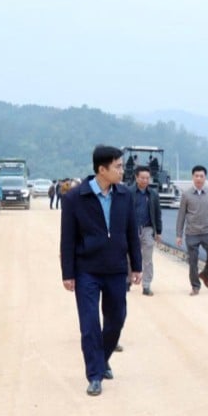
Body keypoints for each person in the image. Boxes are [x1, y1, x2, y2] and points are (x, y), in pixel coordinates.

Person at [60, 145, 142, 396]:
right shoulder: (75, 198)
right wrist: (68, 273)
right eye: (117, 166)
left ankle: (102, 357)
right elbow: (68, 239)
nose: (122, 170)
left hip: (116, 268)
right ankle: (94, 375)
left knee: (117, 319)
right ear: (101, 169)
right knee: (89, 324)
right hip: (87, 270)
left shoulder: (124, 195)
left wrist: (136, 265)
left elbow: (131, 232)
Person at [175, 165, 208, 295]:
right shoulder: (186, 195)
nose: (199, 178)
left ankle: (206, 275)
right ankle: (195, 286)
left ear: (205, 178)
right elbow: (181, 215)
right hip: (192, 234)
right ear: (193, 177)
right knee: (193, 261)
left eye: (201, 176)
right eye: (196, 176)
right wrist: (179, 235)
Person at [131, 166, 163, 296]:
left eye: (147, 178)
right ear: (136, 178)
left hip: (148, 229)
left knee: (148, 259)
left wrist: (158, 231)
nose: (145, 180)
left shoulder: (153, 194)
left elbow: (157, 213)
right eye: (142, 178)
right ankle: (128, 281)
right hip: (132, 229)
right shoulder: (128, 192)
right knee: (130, 257)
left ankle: (146, 285)